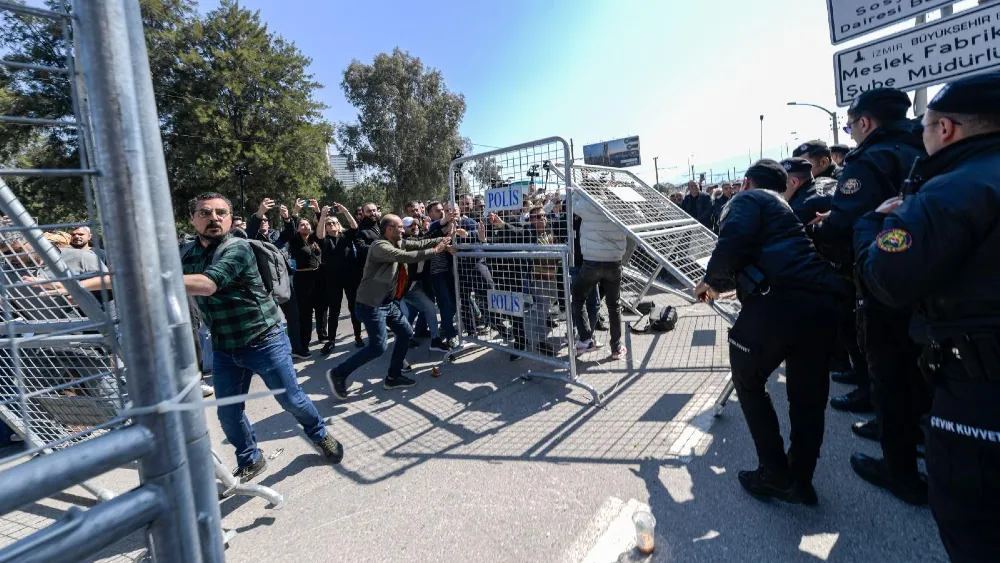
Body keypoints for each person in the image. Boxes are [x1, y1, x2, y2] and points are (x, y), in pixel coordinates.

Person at [854, 73, 1000, 560]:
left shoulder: (947, 191)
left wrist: (873, 224)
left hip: (979, 391)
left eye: (928, 127)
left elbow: (886, 276)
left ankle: (901, 470)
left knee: (973, 527)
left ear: (947, 130)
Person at [695, 160, 845, 505]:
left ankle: (775, 474)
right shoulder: (783, 210)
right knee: (808, 397)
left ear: (747, 182)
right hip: (822, 302)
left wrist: (711, 282)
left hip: (781, 304)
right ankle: (800, 480)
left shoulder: (750, 199)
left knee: (748, 380)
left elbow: (732, 244)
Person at [811, 87, 930, 504]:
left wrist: (823, 225)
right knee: (918, 366)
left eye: (849, 124)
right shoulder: (926, 145)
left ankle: (900, 471)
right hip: (930, 275)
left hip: (884, 274)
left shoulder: (869, 158)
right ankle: (917, 436)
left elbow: (847, 222)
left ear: (865, 122)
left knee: (888, 371)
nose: (850, 132)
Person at [180, 192, 343, 482]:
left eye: (221, 213)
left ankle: (319, 435)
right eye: (205, 213)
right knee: (228, 413)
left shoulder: (238, 247)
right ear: (192, 219)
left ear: (230, 219)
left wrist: (155, 277)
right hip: (224, 346)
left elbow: (208, 284)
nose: (214, 218)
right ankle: (250, 458)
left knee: (291, 400)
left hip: (264, 339)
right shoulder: (187, 254)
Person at [326, 215, 453, 399]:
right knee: (378, 347)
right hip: (371, 304)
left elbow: (419, 244)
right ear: (389, 229)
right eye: (400, 227)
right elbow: (406, 257)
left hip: (387, 302)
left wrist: (444, 238)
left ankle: (393, 376)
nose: (403, 230)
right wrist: (436, 250)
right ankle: (338, 373)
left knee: (406, 333)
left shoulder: (398, 241)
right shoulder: (380, 246)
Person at [572, 184, 631, 360]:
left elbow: (573, 202)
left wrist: (579, 190)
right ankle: (616, 348)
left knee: (578, 297)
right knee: (614, 306)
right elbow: (639, 216)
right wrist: (625, 197)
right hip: (614, 262)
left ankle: (585, 339)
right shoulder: (621, 206)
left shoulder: (588, 205)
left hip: (591, 262)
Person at [315, 203, 364, 354]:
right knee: (334, 310)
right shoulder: (324, 240)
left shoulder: (346, 235)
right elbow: (319, 235)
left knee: (354, 308)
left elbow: (355, 227)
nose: (331, 225)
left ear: (338, 225)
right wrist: (323, 216)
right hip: (333, 280)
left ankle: (358, 336)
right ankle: (331, 341)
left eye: (334, 223)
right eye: (328, 224)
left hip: (351, 278)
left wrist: (346, 212)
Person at [286, 199, 323, 358]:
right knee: (305, 314)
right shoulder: (294, 241)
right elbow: (290, 227)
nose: (305, 226)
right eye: (302, 224)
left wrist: (317, 209)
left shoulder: (315, 240)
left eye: (307, 224)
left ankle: (324, 336)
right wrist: (295, 211)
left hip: (318, 278)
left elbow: (321, 224)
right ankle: (302, 346)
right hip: (302, 279)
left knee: (321, 309)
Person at [779, 158, 832, 226]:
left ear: (794, 182)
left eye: (777, 185)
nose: (776, 192)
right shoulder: (827, 180)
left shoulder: (799, 209)